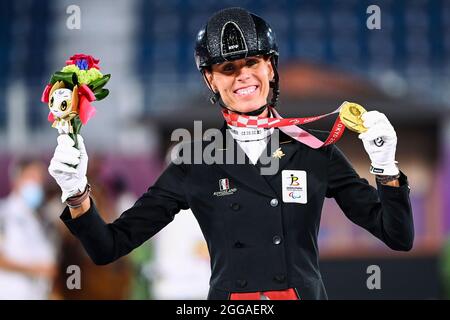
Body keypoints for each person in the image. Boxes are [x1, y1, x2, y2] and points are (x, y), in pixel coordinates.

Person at [48, 7, 414, 300]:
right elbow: (108, 247)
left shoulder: (314, 147)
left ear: (270, 68)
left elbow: (397, 236)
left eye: (252, 63)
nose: (242, 76)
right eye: (228, 68)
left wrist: (385, 169)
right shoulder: (194, 160)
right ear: (211, 80)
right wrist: (77, 194)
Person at [0, 158, 57, 299]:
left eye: (40, 179)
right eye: (32, 177)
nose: (37, 183)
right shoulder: (4, 213)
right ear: (17, 179)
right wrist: (35, 269)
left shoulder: (40, 218)